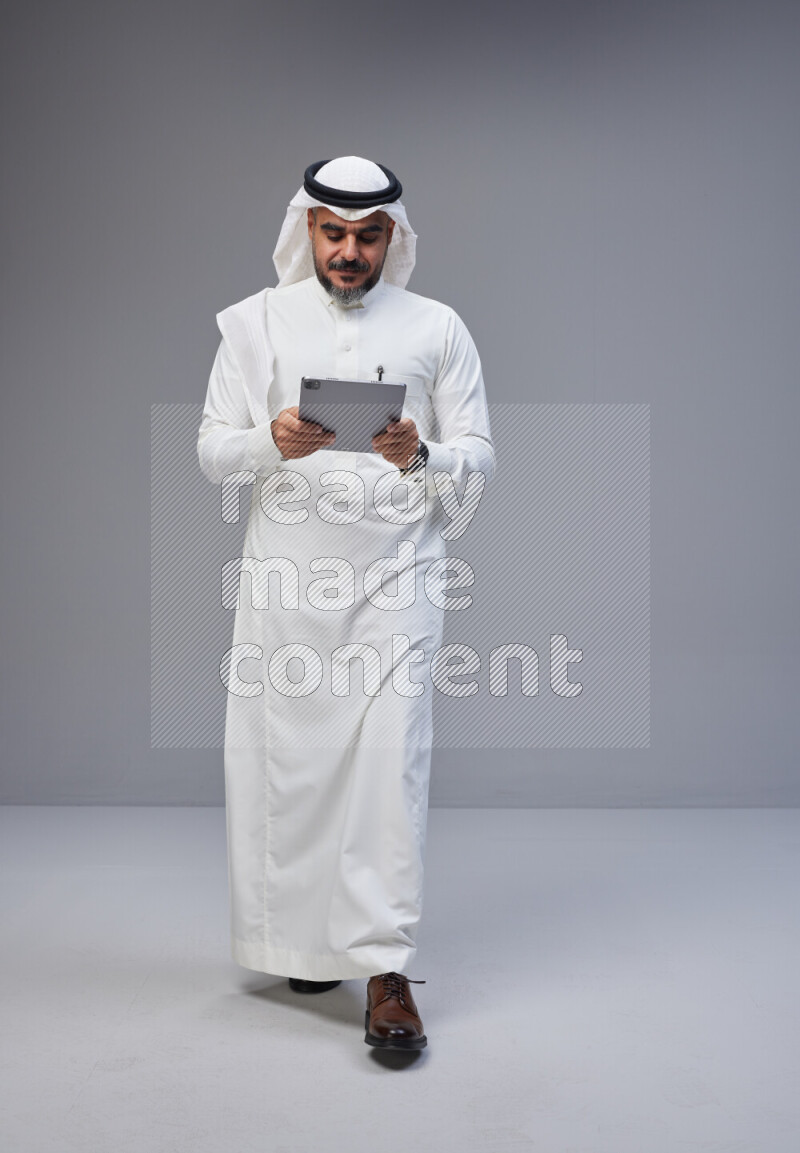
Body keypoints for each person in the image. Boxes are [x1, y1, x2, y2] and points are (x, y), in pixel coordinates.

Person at [197, 156, 496, 1051]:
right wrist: (269, 440)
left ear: (394, 237)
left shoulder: (438, 326)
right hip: (287, 585)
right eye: (334, 232)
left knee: (388, 767)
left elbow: (480, 457)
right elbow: (212, 450)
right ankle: (302, 944)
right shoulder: (255, 323)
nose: (350, 251)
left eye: (369, 235)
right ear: (309, 231)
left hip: (398, 581)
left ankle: (386, 967)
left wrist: (423, 455)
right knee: (291, 763)